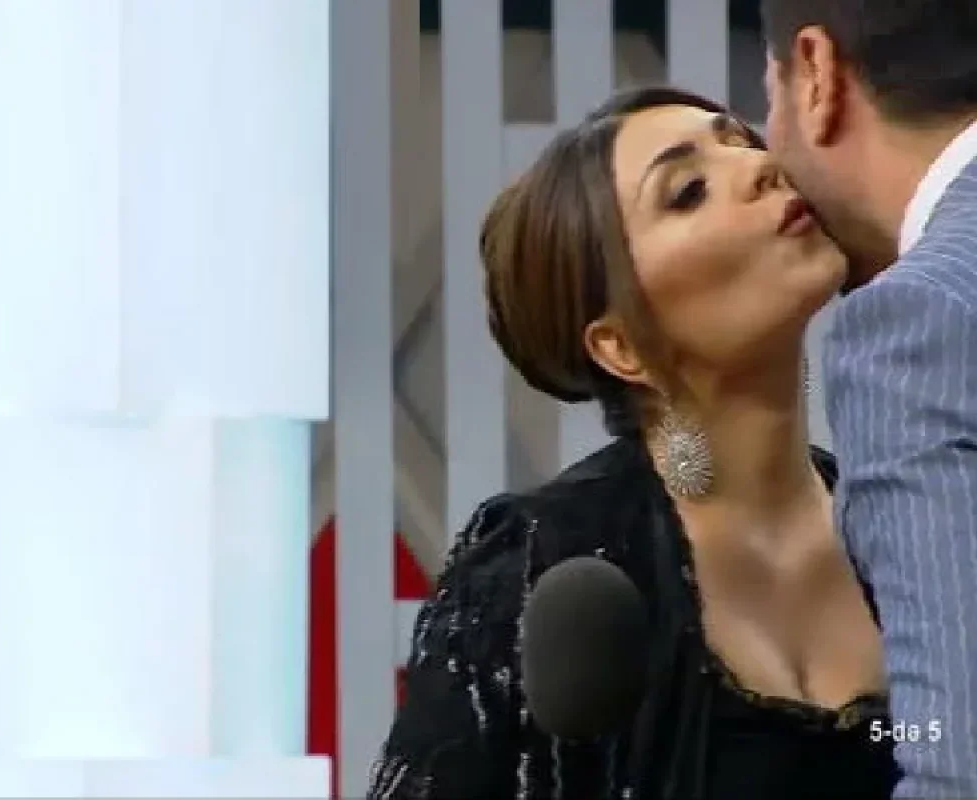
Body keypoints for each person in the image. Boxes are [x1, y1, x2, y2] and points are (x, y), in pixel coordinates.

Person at [366, 86, 899, 800]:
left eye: (741, 141)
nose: (761, 167)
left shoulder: (909, 529)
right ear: (619, 345)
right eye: (688, 191)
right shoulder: (540, 564)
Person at [760, 0, 977, 794]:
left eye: (767, 96)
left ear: (816, 73)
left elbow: (960, 763)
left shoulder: (917, 318)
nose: (766, 167)